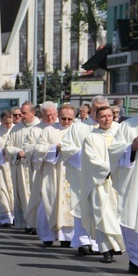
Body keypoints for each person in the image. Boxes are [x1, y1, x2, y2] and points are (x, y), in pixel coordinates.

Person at [108, 89, 138, 274]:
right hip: (137, 183)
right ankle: (135, 259)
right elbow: (114, 151)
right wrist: (132, 147)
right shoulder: (129, 126)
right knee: (134, 223)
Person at [59, 95, 108, 255]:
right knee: (82, 208)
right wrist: (86, 158)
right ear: (90, 110)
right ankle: (84, 241)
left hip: (106, 178)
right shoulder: (78, 127)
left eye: (102, 110)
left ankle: (105, 243)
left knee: (105, 209)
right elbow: (66, 147)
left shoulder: (115, 128)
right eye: (95, 110)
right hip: (83, 177)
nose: (98, 114)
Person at [26, 102, 76, 246]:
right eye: (63, 118)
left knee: (68, 205)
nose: (66, 122)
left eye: (69, 119)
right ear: (58, 116)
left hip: (71, 173)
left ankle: (66, 238)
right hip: (52, 173)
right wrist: (55, 148)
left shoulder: (77, 130)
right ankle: (48, 236)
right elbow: (38, 148)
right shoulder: (48, 130)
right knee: (49, 203)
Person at [79, 106, 123, 263]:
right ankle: (106, 250)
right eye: (103, 116)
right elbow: (92, 160)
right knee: (102, 215)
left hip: (121, 182)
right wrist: (111, 169)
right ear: (96, 119)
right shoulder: (91, 137)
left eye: (109, 116)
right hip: (101, 183)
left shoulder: (120, 133)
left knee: (118, 215)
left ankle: (116, 246)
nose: (107, 119)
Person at [5, 101, 42, 231]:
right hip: (21, 167)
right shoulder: (16, 128)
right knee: (23, 195)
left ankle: (37, 223)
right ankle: (27, 223)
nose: (21, 115)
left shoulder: (40, 127)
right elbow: (8, 145)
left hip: (36, 168)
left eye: (24, 113)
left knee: (36, 194)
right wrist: (17, 152)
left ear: (33, 112)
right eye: (21, 113)